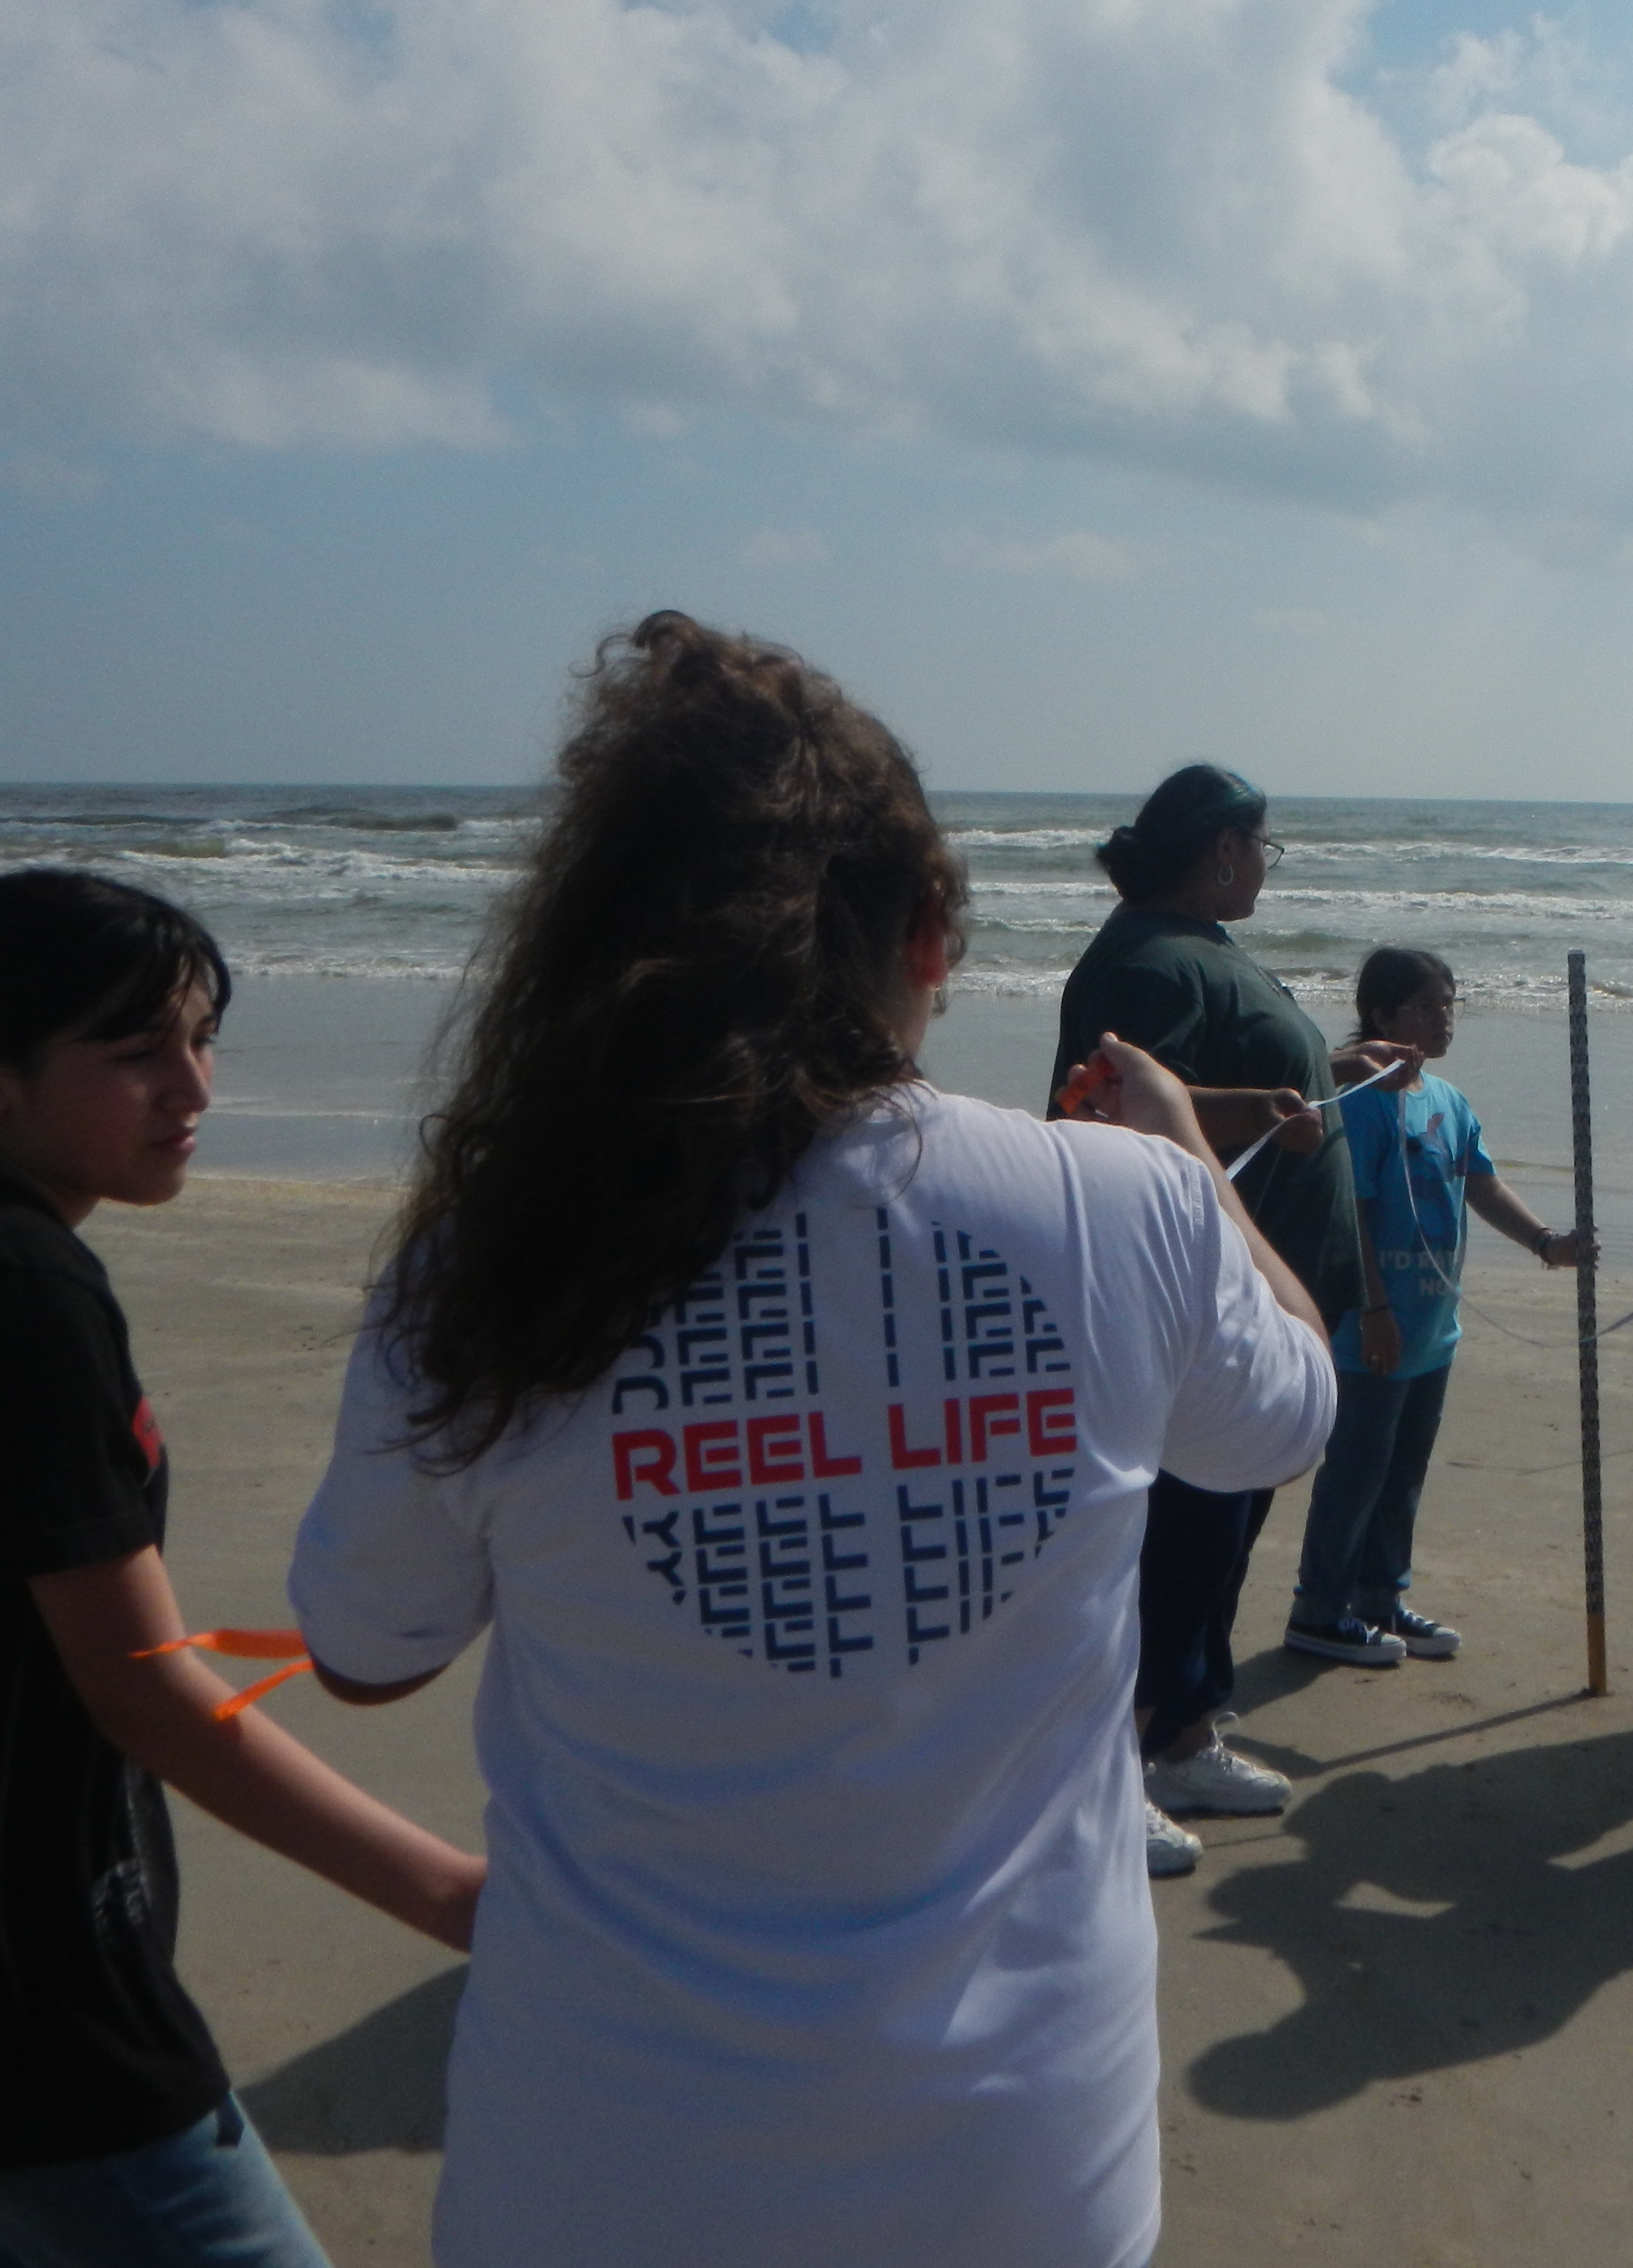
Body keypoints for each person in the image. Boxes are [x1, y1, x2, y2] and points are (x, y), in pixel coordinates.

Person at [286, 616, 1334, 2268]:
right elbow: (1286, 1417)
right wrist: (1191, 1158)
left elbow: (365, 1650)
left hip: (605, 2170)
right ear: (927, 931)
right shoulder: (1117, 1206)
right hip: (1018, 2173)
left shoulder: (494, 1258)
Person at [0, 869, 484, 2267]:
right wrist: (452, 1894)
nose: (193, 1086)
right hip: (21, 1985)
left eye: (201, 1038)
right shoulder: (14, 1287)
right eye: (135, 1053)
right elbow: (147, 1693)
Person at [1048, 765, 1406, 1869]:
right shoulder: (1149, 961)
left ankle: (1185, 1730)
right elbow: (1105, 1103)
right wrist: (1253, 1106)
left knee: (1222, 1528)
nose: (1264, 866)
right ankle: (1123, 1763)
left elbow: (1202, 1081)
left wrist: (1324, 1068)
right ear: (1220, 851)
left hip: (1259, 1299)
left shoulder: (1194, 946)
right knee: (1180, 1536)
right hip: (1202, 1312)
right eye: (1262, 847)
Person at [1285, 947, 1590, 1666]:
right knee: (1358, 1470)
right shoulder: (1362, 1101)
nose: (1442, 1018)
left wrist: (1547, 1243)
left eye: (1449, 1004)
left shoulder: (1448, 1101)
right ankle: (1319, 1608)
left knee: (1403, 1473)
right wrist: (1375, 1309)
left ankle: (1379, 1597)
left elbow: (1480, 1183)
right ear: (1382, 1015)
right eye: (1425, 1006)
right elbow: (1353, 1210)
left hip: (1432, 1325)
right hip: (1375, 1326)